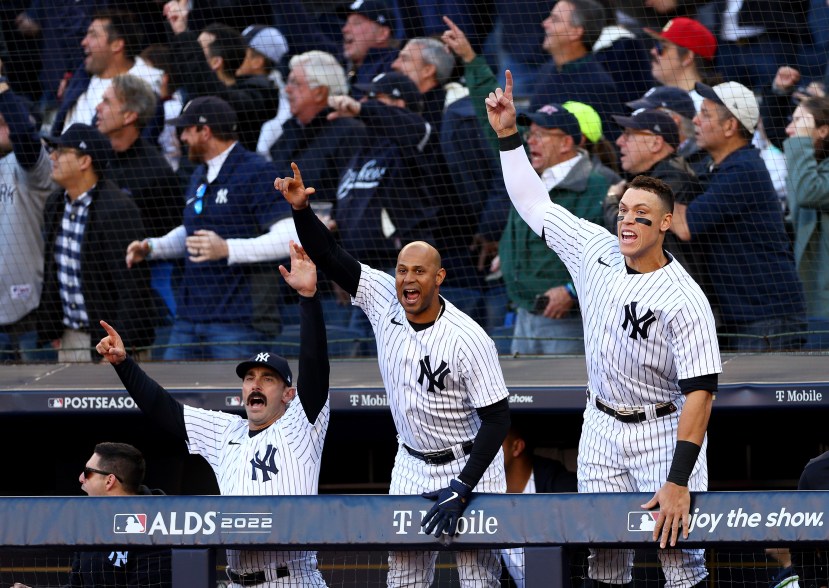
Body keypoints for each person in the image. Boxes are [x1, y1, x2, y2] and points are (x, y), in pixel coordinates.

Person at [488, 70, 722, 587]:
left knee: (681, 562)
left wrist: (678, 479)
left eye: (642, 213)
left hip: (663, 429)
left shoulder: (684, 297)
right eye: (623, 210)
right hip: (600, 424)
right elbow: (533, 202)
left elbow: (701, 395)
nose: (628, 220)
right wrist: (508, 136)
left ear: (664, 224)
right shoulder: (594, 249)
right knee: (604, 561)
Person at [275, 162, 511, 587]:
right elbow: (328, 255)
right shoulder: (384, 297)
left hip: (470, 462)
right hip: (410, 461)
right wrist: (301, 210)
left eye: (418, 271)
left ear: (438, 277)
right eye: (403, 270)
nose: (407, 279)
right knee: (402, 576)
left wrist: (463, 484)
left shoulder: (468, 338)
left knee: (479, 579)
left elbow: (498, 420)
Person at [96, 240, 331, 586]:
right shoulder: (227, 431)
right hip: (236, 579)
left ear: (288, 394)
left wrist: (309, 299)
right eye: (250, 378)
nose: (256, 385)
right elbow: (165, 411)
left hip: (291, 578)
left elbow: (314, 367)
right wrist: (124, 364)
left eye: (268, 380)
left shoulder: (302, 422)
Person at [125, 96, 294, 360]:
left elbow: (289, 237)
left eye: (186, 130)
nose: (181, 138)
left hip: (238, 322)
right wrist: (153, 247)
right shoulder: (199, 175)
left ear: (205, 131)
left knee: (234, 399)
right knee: (173, 397)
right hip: (189, 318)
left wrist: (227, 248)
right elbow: (194, 231)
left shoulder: (256, 171)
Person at [670, 81, 808, 351]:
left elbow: (684, 225)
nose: (696, 120)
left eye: (706, 114)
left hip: (768, 319)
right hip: (748, 316)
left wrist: (643, 197)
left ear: (730, 126)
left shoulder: (743, 169)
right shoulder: (721, 167)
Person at [38, 123, 155, 362]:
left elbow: (133, 286)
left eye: (61, 151)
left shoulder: (119, 209)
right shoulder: (54, 204)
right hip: (70, 338)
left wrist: (119, 346)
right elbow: (54, 272)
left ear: (84, 161)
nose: (53, 156)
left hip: (110, 344)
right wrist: (52, 326)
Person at [501, 103, 607, 355]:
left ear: (565, 143)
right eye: (529, 135)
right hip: (524, 310)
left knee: (565, 392)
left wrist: (571, 291)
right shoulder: (531, 179)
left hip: (567, 320)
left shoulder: (599, 187)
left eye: (540, 135)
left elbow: (609, 254)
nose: (530, 142)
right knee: (522, 392)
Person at [12, 442, 171, 588]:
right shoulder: (91, 523)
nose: (81, 478)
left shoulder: (158, 526)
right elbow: (77, 586)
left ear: (109, 481)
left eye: (88, 473)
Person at [606, 108, 707, 289]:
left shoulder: (673, 178)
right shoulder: (661, 174)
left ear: (655, 143)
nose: (620, 141)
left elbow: (630, 233)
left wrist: (612, 199)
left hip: (676, 297)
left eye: (629, 135)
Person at [0, 64, 56, 361]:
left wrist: (2, 87)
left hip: (28, 316)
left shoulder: (35, 167)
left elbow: (24, 137)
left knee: (38, 402)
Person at [269, 50, 368, 206]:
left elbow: (353, 195)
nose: (287, 89)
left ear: (320, 93)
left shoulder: (351, 132)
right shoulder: (287, 134)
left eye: (295, 83)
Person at [52, 9, 163, 135]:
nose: (84, 42)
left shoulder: (147, 86)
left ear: (116, 45)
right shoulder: (83, 74)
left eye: (93, 35)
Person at [531, 0, 623, 138]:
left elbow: (611, 144)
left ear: (576, 32)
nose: (545, 23)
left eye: (555, 20)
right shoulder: (547, 69)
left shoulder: (598, 85)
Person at [500, 424, 577, 588]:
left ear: (517, 447)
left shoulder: (562, 488)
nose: (483, 449)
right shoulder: (483, 497)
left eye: (494, 442)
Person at [783, 96, 829, 349]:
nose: (791, 128)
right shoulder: (809, 167)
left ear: (823, 130)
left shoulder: (810, 172)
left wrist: (801, 143)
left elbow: (810, 191)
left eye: (799, 120)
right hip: (809, 300)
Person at [644, 17, 719, 112]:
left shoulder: (705, 107)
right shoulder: (653, 93)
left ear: (687, 57)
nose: (653, 51)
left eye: (662, 47)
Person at [338, 0, 399, 95]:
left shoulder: (394, 66)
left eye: (356, 23)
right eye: (346, 23)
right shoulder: (347, 67)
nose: (345, 29)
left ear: (382, 34)